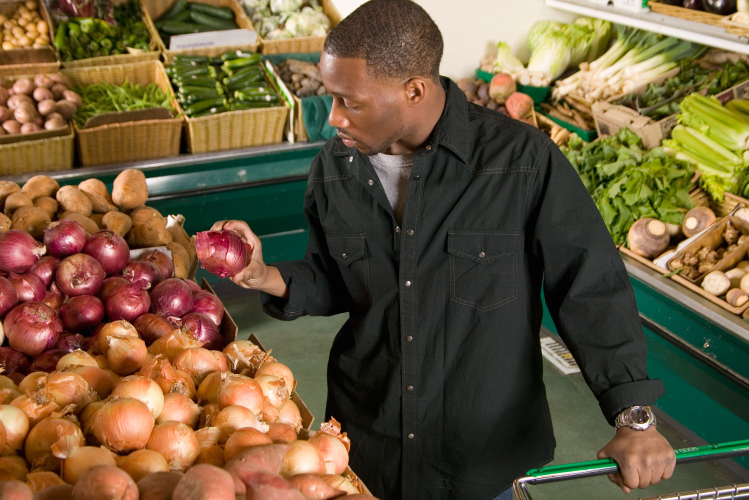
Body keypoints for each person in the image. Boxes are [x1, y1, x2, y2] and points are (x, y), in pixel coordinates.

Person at [213, 0, 676, 498]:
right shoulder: (336, 166)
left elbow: (590, 287)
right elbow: (334, 280)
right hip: (366, 447)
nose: (333, 119)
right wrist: (263, 275)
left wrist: (634, 419)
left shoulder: (520, 162)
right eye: (331, 97)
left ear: (414, 89)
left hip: (478, 459)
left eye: (350, 101)